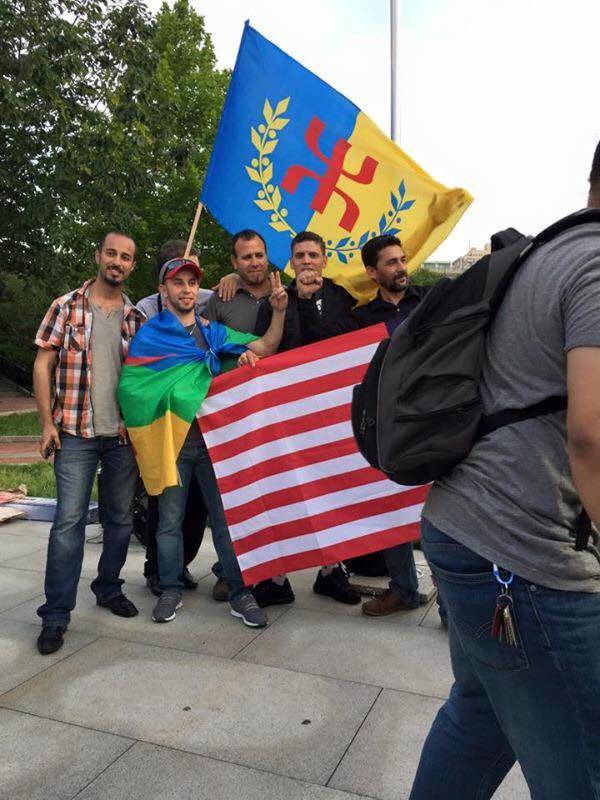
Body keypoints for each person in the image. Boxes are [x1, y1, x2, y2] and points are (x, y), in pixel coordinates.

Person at [409, 142, 600, 799]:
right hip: (524, 559)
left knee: (481, 717)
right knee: (582, 765)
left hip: (462, 527)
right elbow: (590, 432)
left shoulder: (549, 250)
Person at [128, 257, 288, 627]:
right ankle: (169, 588)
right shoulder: (150, 335)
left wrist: (278, 312)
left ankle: (239, 591)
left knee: (226, 521)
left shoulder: (213, 333)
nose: (186, 289)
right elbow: (134, 389)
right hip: (174, 444)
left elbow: (265, 346)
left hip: (217, 443)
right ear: (163, 290)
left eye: (191, 283)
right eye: (178, 283)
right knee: (169, 521)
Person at [33, 231, 145, 655]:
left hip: (120, 437)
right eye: (111, 253)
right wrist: (46, 424)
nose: (117, 261)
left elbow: (147, 380)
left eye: (126, 257)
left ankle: (109, 586)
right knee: (68, 524)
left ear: (133, 266)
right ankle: (56, 615)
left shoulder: (138, 320)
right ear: (98, 255)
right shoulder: (66, 306)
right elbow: (43, 365)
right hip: (75, 434)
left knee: (120, 520)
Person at [253, 231, 361, 607]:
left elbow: (340, 347)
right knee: (285, 491)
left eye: (313, 254)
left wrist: (312, 300)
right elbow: (264, 346)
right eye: (300, 256)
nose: (307, 262)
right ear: (291, 261)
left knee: (330, 490)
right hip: (284, 414)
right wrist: (291, 304)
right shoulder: (275, 299)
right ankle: (276, 577)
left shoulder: (341, 298)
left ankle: (332, 571)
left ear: (325, 259)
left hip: (329, 414)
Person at [353, 234, 429, 617]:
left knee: (437, 510)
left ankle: (451, 605)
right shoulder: (361, 318)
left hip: (433, 417)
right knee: (392, 505)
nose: (401, 268)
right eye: (391, 262)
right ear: (372, 272)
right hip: (388, 422)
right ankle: (403, 590)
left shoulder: (430, 302)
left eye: (402, 260)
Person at [203, 228, 275, 602]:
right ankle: (228, 570)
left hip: (274, 413)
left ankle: (270, 571)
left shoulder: (287, 293)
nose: (253, 262)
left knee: (272, 494)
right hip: (231, 415)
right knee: (233, 497)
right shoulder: (220, 297)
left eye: (259, 255)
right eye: (245, 257)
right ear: (234, 263)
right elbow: (202, 348)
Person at [137, 240, 209, 596]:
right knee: (163, 505)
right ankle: (157, 569)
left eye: (193, 275)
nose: (189, 285)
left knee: (196, 506)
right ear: (162, 282)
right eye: (179, 277)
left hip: (198, 429)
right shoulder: (144, 311)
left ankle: (180, 564)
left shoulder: (203, 299)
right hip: (162, 428)